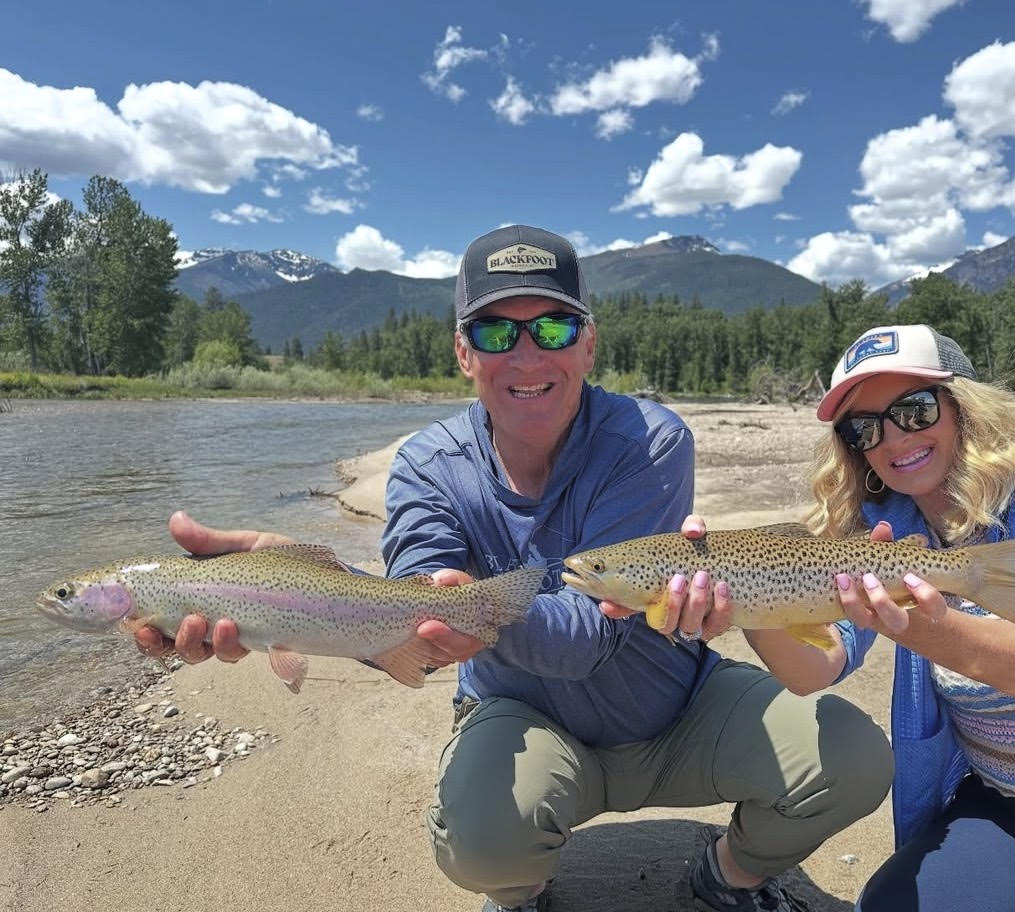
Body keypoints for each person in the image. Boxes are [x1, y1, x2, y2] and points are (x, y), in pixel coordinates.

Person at [137, 226, 893, 912]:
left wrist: (475, 610)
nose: (527, 355)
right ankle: (521, 888)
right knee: (480, 842)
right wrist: (295, 588)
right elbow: (411, 618)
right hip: (524, 720)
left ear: (588, 345)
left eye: (554, 327)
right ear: (463, 352)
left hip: (680, 711)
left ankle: (728, 873)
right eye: (497, 331)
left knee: (853, 759)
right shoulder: (427, 467)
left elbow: (588, 639)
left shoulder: (648, 441)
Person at [674, 324, 1015, 912]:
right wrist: (744, 597)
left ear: (966, 407)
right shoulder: (888, 531)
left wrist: (912, 624)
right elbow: (815, 667)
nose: (890, 436)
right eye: (863, 427)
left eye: (913, 409)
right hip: (1012, 815)